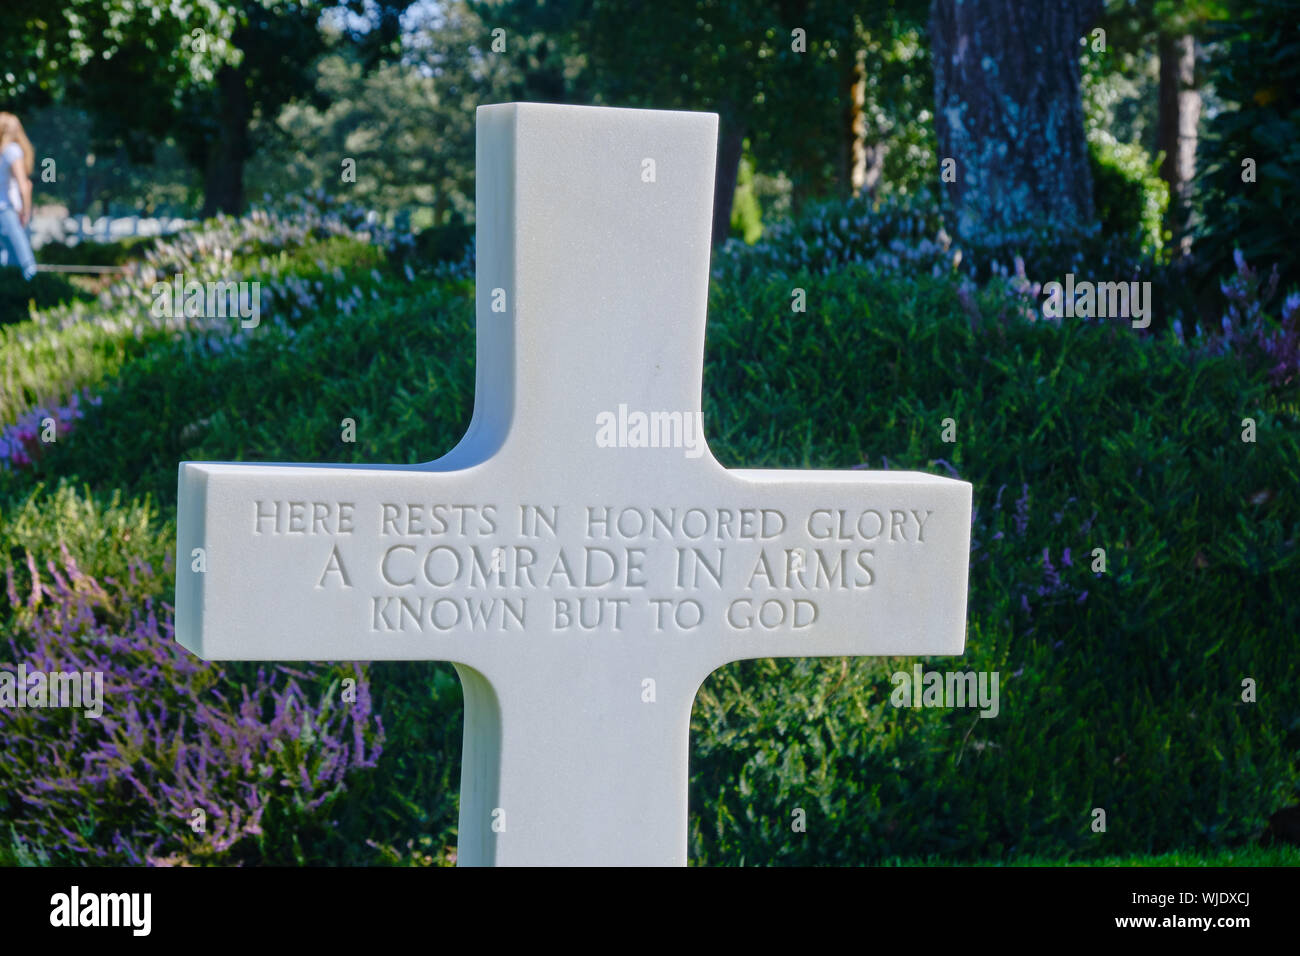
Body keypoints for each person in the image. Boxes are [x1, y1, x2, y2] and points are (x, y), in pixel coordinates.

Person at [0, 112, 36, 281]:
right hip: (6, 212)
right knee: (27, 263)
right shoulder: (12, 151)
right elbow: (24, 186)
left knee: (6, 260)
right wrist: (26, 212)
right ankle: (33, 295)